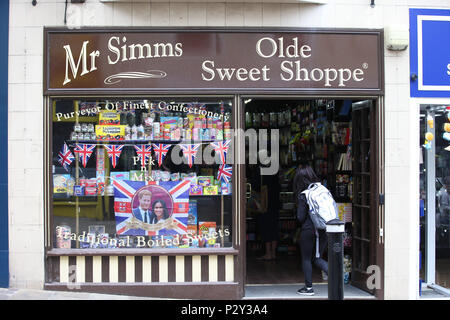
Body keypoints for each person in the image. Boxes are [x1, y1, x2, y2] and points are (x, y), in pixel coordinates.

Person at [293, 165, 328, 296]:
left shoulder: (304, 195)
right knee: (317, 257)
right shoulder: (322, 189)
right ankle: (337, 278)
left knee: (308, 258)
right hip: (323, 228)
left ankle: (309, 288)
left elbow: (300, 217)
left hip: (309, 230)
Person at [254, 149, 281, 261]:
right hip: (275, 202)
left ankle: (268, 253)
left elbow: (255, 186)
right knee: (274, 228)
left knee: (265, 228)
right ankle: (273, 253)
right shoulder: (275, 168)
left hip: (264, 202)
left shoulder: (260, 169)